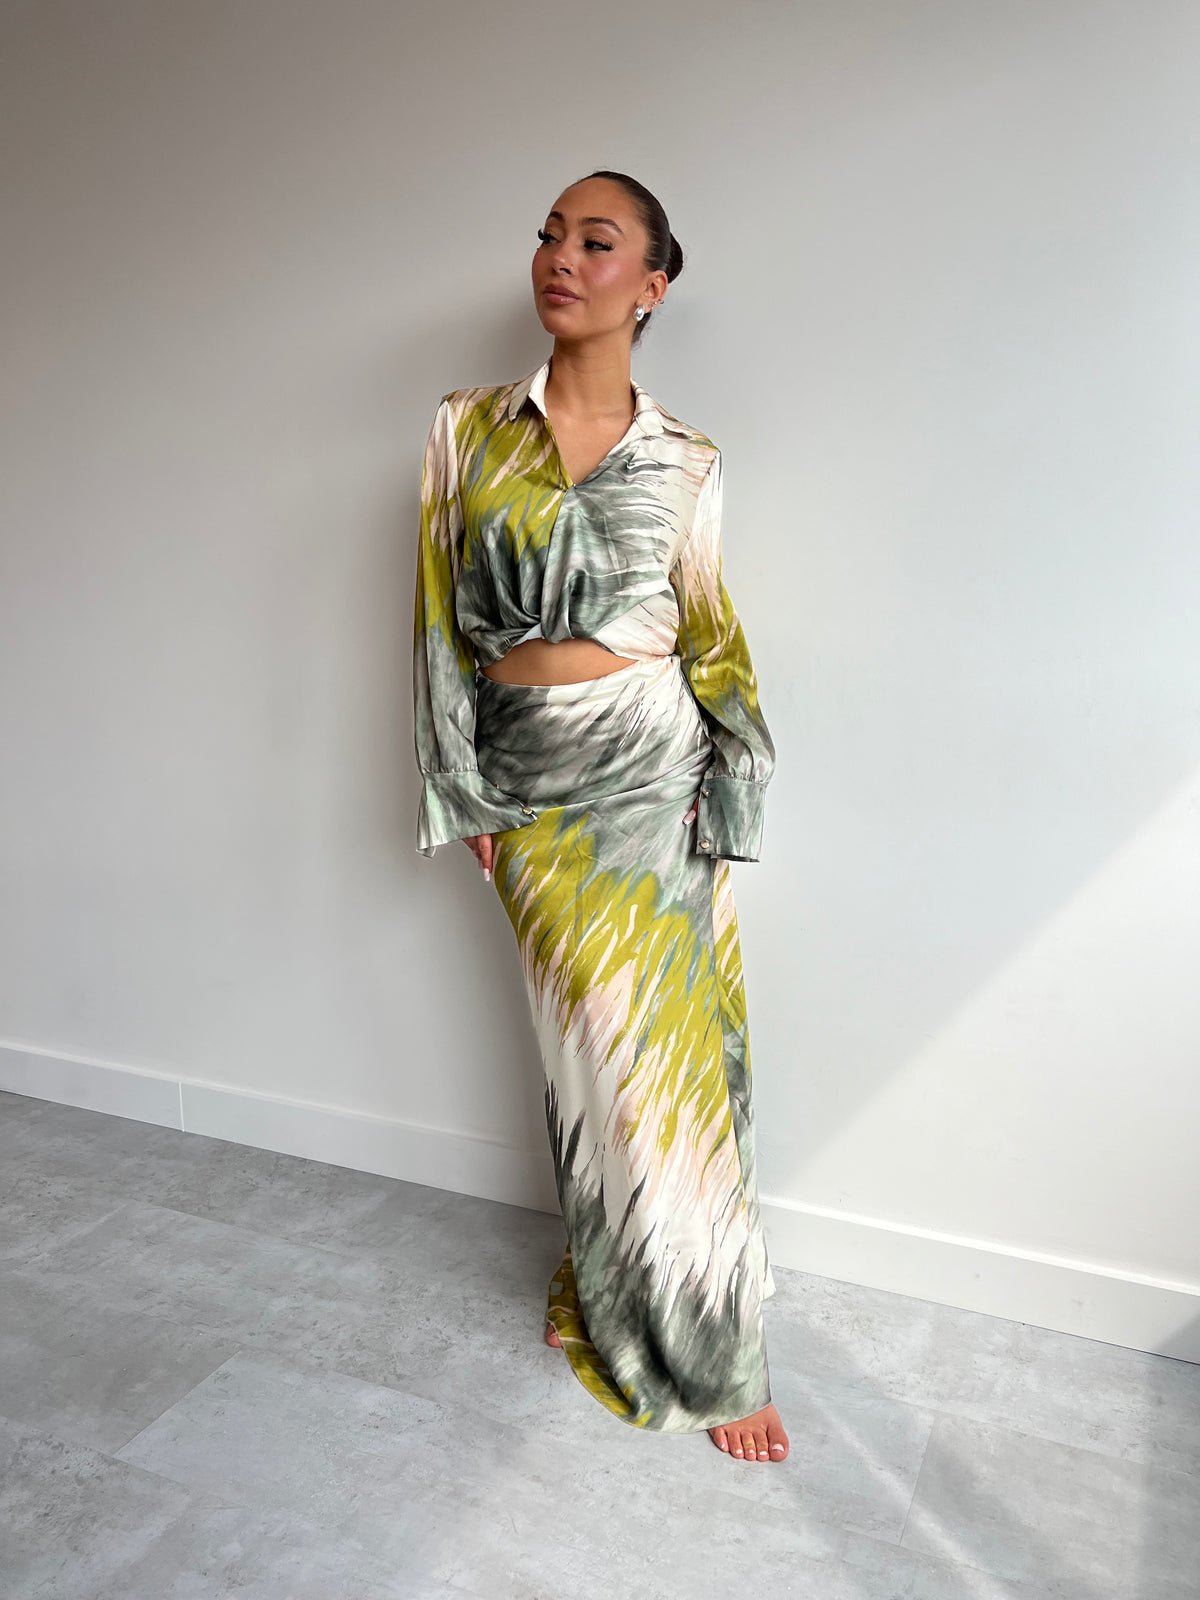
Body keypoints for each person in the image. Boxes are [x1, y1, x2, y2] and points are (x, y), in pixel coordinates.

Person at [411, 170, 788, 1464]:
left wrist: (733, 783)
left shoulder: (688, 460)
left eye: (595, 240)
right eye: (549, 236)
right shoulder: (465, 430)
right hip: (527, 786)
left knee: (665, 1076)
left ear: (651, 285)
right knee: (590, 1064)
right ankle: (608, 1280)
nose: (559, 258)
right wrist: (459, 784)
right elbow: (432, 622)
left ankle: (718, 1356)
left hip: (651, 777)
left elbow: (711, 632)